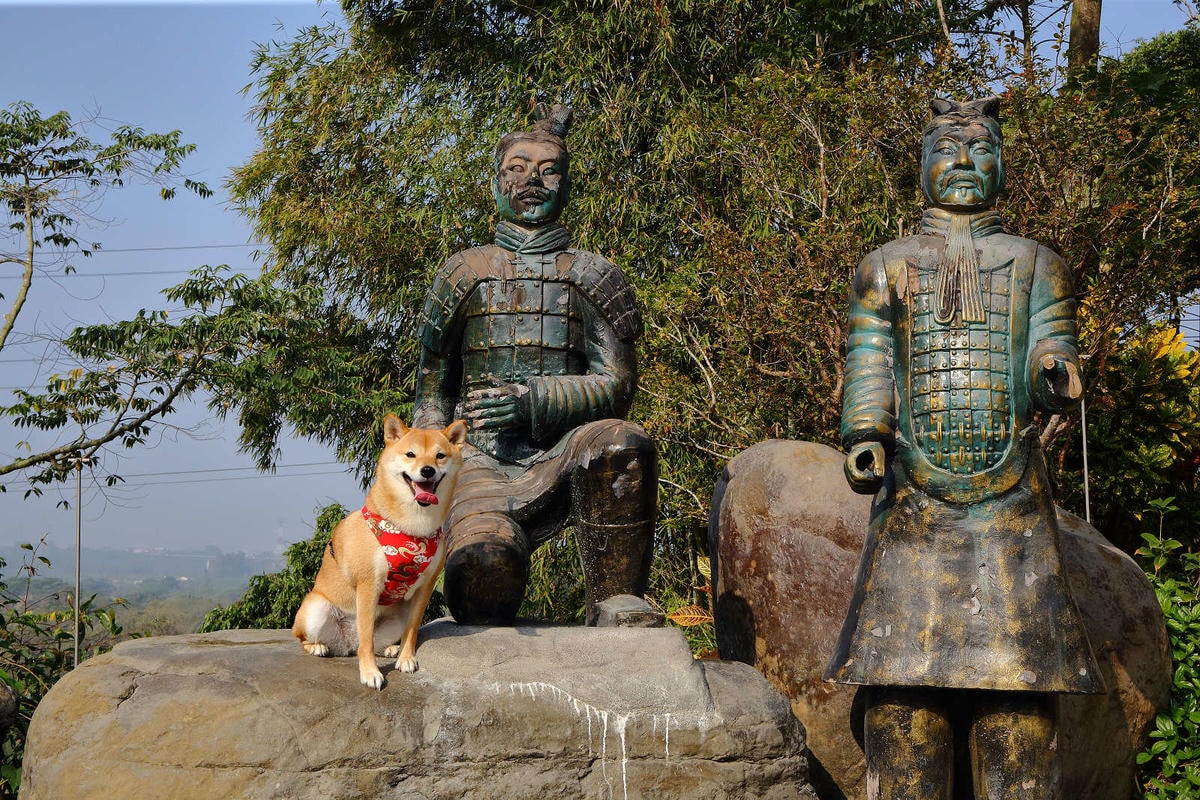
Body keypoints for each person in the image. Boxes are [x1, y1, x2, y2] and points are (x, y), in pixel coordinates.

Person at [825, 96, 1102, 799]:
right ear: (922, 163)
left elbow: (1052, 342)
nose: (963, 163)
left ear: (1003, 161)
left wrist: (1055, 372)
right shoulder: (885, 265)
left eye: (980, 149)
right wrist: (865, 434)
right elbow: (871, 356)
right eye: (947, 148)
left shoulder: (1039, 264)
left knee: (1019, 711)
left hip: (1009, 508)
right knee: (900, 706)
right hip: (913, 504)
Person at [412, 103, 657, 626]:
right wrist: (428, 474)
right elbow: (432, 393)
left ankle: (616, 605)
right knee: (485, 582)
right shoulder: (463, 272)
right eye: (517, 169)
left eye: (549, 170)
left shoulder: (593, 275)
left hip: (563, 450)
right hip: (477, 459)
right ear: (497, 183)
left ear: (567, 185)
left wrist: (534, 401)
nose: (532, 181)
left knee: (624, 444)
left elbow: (619, 383)